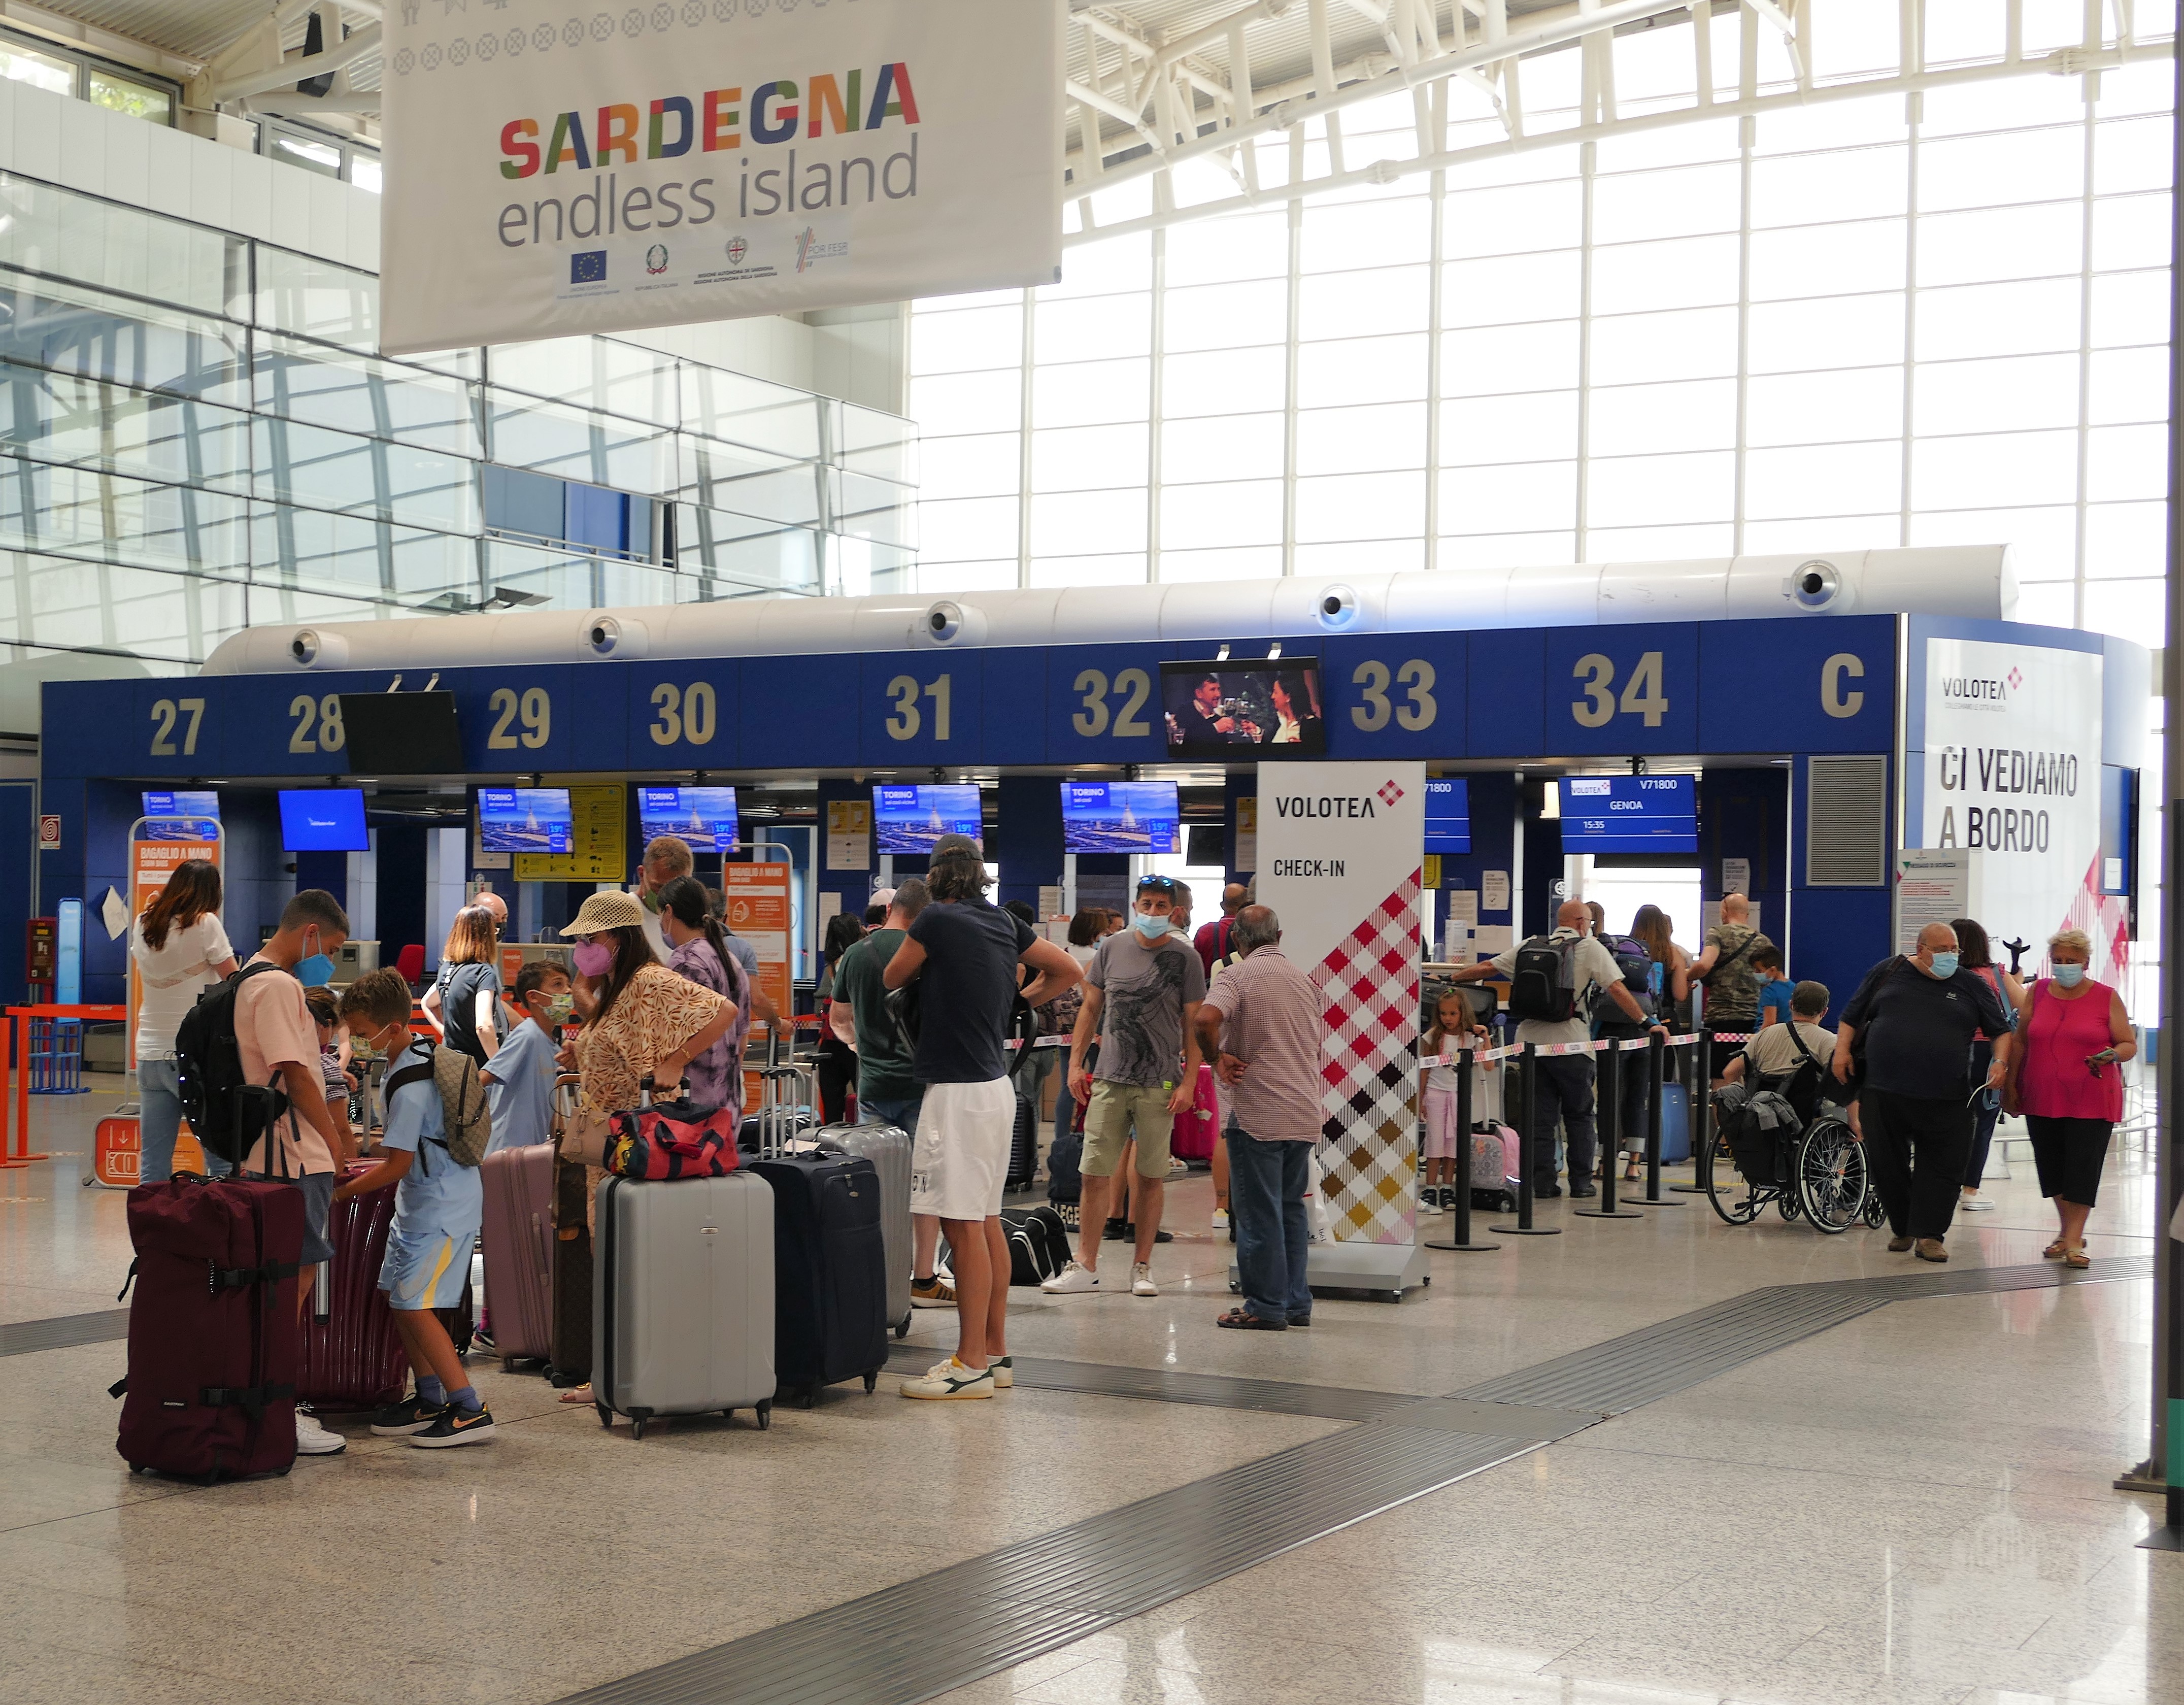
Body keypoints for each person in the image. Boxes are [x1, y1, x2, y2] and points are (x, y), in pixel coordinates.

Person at [883, 847, 1081, 1398]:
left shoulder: (937, 917)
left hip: (957, 1093)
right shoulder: (1004, 920)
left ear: (934, 882)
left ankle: (968, 1362)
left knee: (960, 1225)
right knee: (987, 1219)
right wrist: (1015, 1000)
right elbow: (1068, 969)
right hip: (996, 1087)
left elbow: (892, 974)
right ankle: (994, 1352)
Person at [552, 888, 738, 1406]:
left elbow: (722, 1011)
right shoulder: (615, 986)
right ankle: (612, 1366)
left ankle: (629, 1367)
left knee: (625, 1253)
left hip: (633, 1141)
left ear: (619, 936)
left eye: (591, 937)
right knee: (605, 1251)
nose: (584, 947)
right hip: (603, 1144)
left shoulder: (648, 980)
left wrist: (676, 1060)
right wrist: (581, 1050)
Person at [336, 969, 496, 1449]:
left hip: (442, 1205)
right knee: (398, 1297)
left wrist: (340, 1193)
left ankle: (468, 1407)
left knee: (415, 1303)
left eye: (362, 1035)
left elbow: (398, 1163)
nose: (358, 1044)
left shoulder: (410, 1085)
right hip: (424, 1201)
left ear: (391, 1025)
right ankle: (428, 1397)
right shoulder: (414, 1056)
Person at [1042, 874, 1207, 1298]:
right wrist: (1076, 1065)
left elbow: (1193, 1021)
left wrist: (1189, 1080)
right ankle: (1086, 1263)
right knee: (1094, 1172)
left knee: (1150, 1175)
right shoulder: (1111, 948)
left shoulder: (1185, 958)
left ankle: (1142, 1265)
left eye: (1160, 906)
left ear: (1174, 911)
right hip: (1110, 1078)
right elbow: (1091, 1008)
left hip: (1159, 1082)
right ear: (1135, 906)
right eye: (1146, 904)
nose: (1153, 912)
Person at [234, 889, 353, 1458]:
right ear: (308, 932)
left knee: (273, 1289)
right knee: (291, 1290)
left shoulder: (248, 974)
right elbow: (297, 1074)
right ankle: (279, 1407)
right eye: (330, 947)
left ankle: (262, 1398)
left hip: (262, 1154)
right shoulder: (280, 985)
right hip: (293, 1156)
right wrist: (334, 1144)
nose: (328, 959)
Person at [1445, 899, 1667, 1197]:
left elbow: (1488, 967)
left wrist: (1449, 979)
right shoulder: (1589, 948)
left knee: (1539, 1119)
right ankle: (1581, 1183)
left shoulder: (1530, 945)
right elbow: (1616, 988)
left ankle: (1543, 1184)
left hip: (1530, 1045)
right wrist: (1647, 1022)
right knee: (1580, 1117)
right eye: (1588, 922)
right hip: (1572, 1045)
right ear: (1579, 922)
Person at [1832, 922, 2011, 1262]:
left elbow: (1999, 1030)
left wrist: (2000, 1061)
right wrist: (1841, 1051)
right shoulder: (1888, 971)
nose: (1949, 956)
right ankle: (1903, 1227)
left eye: (1954, 950)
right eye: (1940, 949)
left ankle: (1930, 1236)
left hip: (1947, 1095)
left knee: (1944, 1166)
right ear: (1921, 947)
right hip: (1884, 1090)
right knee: (1887, 1164)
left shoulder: (1970, 984)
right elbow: (1852, 1015)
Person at [1190, 906, 1325, 1329]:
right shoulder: (1304, 981)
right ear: (1279, 936)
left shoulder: (1235, 976)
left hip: (1258, 1113)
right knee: (1290, 1210)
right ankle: (1295, 1303)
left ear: (1236, 941)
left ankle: (1264, 1306)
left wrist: (1216, 1057)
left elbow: (1206, 1017)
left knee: (1257, 1213)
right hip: (1302, 1111)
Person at [835, 877, 955, 1309]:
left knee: (877, 1186)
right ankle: (923, 1277)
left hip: (872, 1086)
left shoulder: (855, 953)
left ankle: (878, 1273)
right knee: (926, 1185)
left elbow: (840, 1018)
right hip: (922, 1088)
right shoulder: (926, 953)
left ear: (890, 910)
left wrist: (861, 1048)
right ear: (924, 916)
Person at [2004, 928, 2133, 1270]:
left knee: (2081, 1167)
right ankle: (2066, 1232)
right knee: (2052, 1168)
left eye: (2070, 961)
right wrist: (2011, 1085)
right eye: (2057, 961)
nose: (2063, 967)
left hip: (2091, 1095)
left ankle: (2074, 1239)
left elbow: (2127, 1044)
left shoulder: (2106, 997)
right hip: (2041, 1094)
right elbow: (2020, 1040)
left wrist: (2111, 1054)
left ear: (2085, 962)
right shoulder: (2039, 991)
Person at [129, 857, 239, 1184]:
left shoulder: (144, 922)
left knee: (153, 1163)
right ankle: (225, 1231)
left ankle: (152, 1232)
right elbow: (234, 981)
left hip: (149, 1053)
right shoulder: (205, 924)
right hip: (192, 1056)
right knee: (220, 1159)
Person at [655, 875, 750, 1119]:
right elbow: (741, 1042)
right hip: (727, 1102)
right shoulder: (732, 961)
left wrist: (674, 1063)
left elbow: (673, 1033)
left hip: (692, 1104)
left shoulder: (685, 961)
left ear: (669, 911)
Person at [1952, 917, 2024, 1215]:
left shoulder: (1943, 975)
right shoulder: (1996, 974)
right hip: (1989, 1053)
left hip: (1948, 1052)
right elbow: (2026, 1006)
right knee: (1983, 1122)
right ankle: (1971, 1189)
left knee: (1947, 1120)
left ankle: (1945, 1184)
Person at [1679, 893, 1774, 1078]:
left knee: (1722, 1078)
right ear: (1747, 914)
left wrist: (1687, 977)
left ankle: (1722, 1109)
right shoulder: (1764, 941)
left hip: (1722, 1017)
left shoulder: (1717, 933)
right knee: (1748, 1078)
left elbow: (1704, 965)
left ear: (1724, 911)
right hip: (1755, 1020)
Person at [481, 960, 570, 1155]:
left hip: (531, 1151)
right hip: (504, 1151)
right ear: (533, 996)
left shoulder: (553, 1047)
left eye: (567, 985)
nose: (568, 992)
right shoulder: (527, 1035)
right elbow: (483, 1079)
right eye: (558, 985)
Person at [1419, 988, 1487, 1212]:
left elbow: (1489, 1065)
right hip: (1436, 1094)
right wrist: (1420, 1099)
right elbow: (1424, 1071)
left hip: (1460, 1096)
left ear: (1463, 1013)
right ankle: (1430, 1188)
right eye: (1443, 1014)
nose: (1448, 1019)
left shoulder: (1471, 1038)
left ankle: (1447, 1187)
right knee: (1435, 1143)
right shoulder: (1432, 1037)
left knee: (1454, 1145)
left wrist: (1485, 1037)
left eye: (1453, 1014)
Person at [422, 904, 501, 1067]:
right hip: (476, 1066)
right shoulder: (483, 972)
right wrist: (500, 1066)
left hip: (450, 1062)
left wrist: (446, 1032)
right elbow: (484, 1026)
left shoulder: (448, 969)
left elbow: (427, 1003)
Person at [1722, 981, 1835, 1093]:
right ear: (1824, 1012)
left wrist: (1746, 1101)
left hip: (1763, 1109)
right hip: (1806, 1110)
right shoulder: (1828, 1040)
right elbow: (1846, 1084)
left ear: (1791, 1005)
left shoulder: (1764, 1035)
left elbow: (1730, 1072)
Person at [813, 912, 867, 1123]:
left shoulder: (831, 963)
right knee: (863, 1104)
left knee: (833, 1108)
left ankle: (830, 1152)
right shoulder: (857, 958)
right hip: (854, 1038)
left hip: (830, 1042)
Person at [629, 833, 695, 963]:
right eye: (659, 887)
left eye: (677, 887)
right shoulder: (619, 914)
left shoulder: (694, 920)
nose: (668, 895)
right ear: (642, 874)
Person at [304, 986, 354, 1154]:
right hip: (316, 1158)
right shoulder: (326, 1066)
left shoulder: (281, 1058)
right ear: (328, 1025)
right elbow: (343, 1130)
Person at [1171, 674, 1257, 746]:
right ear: (1199, 693)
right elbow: (1185, 740)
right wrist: (1215, 728)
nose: (1218, 694)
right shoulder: (1185, 711)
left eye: (1219, 689)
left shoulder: (1218, 718)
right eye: (1213, 690)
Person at [1192, 883, 1249, 978]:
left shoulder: (1205, 932)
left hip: (1211, 990)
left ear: (1222, 906)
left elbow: (1195, 969)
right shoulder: (1252, 931)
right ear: (1247, 905)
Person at [1267, 672, 1321, 747]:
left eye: (1276, 692)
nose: (1272, 697)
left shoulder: (1313, 726)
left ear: (1288, 697)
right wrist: (1257, 731)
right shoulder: (1280, 720)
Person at [1752, 947, 1794, 1030]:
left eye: (1759, 971)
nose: (1755, 973)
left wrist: (1757, 1040)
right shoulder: (1795, 988)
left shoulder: (1769, 992)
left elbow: (1769, 1024)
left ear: (1773, 970)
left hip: (1769, 1039)